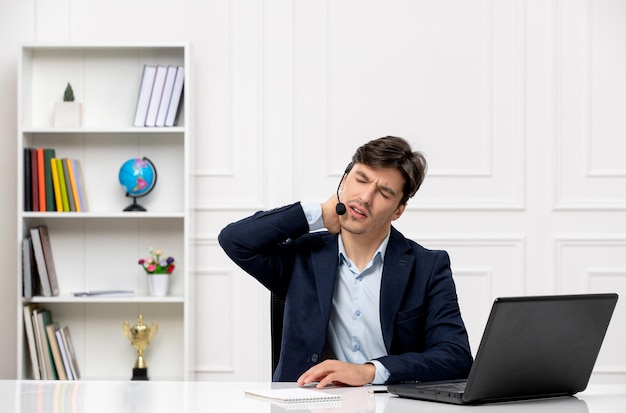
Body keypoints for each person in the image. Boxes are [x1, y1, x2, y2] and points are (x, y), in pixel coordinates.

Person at [218, 136, 472, 388]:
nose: (364, 197)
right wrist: (317, 214)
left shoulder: (428, 267)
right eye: (360, 180)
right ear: (343, 181)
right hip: (309, 402)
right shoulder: (302, 257)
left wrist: (370, 371)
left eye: (383, 192)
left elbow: (456, 356)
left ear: (398, 210)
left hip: (388, 403)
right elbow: (235, 240)